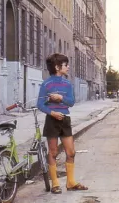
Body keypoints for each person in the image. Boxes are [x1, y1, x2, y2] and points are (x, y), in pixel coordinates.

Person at [37, 53, 88, 194]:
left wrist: (60, 98)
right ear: (57, 67)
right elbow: (40, 104)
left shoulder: (67, 84)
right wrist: (52, 113)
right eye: (66, 65)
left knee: (71, 152)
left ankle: (71, 182)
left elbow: (71, 102)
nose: (68, 67)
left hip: (65, 119)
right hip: (52, 120)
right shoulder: (46, 84)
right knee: (53, 152)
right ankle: (55, 184)